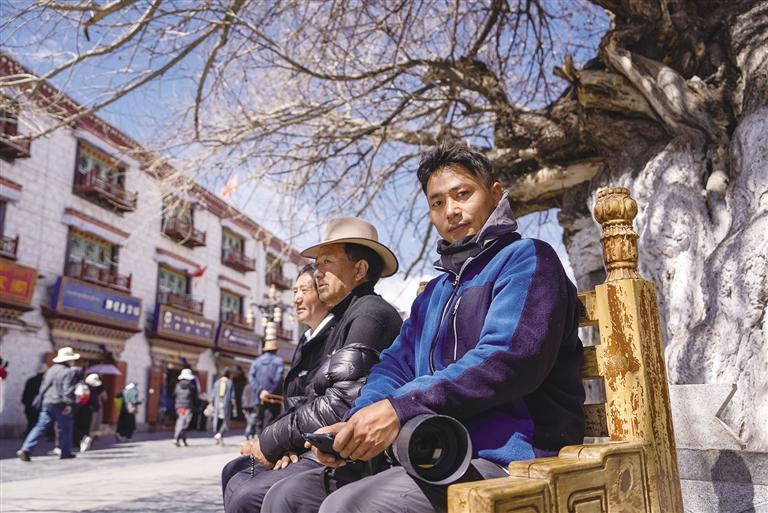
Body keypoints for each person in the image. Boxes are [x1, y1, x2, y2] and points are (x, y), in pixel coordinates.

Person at [261, 143, 585, 513]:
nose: (451, 211)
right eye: (437, 203)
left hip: (509, 456)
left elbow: (507, 357)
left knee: (347, 507)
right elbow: (393, 364)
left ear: (495, 195)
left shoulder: (527, 259)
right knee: (285, 499)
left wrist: (400, 408)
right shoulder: (435, 292)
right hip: (431, 449)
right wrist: (360, 421)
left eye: (463, 194)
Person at [223, 222, 403, 513]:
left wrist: (270, 442)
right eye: (317, 264)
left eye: (327, 262)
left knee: (250, 494)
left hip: (352, 455)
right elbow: (308, 398)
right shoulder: (342, 318)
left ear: (360, 270)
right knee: (236, 473)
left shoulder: (370, 314)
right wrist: (286, 446)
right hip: (317, 445)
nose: (318, 272)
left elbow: (340, 404)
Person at [17, 347, 82, 461]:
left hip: (47, 402)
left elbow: (43, 387)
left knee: (40, 426)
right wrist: (69, 404)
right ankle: (65, 451)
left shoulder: (51, 370)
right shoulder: (68, 372)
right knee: (66, 427)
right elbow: (67, 390)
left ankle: (26, 448)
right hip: (60, 403)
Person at [246, 337, 284, 439]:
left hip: (258, 398)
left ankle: (259, 444)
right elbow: (278, 378)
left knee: (259, 423)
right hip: (273, 398)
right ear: (275, 350)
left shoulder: (256, 362)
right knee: (271, 423)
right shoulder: (278, 361)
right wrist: (269, 392)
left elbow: (251, 378)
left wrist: (260, 391)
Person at [75, 373, 102, 453]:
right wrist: (96, 408)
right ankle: (84, 441)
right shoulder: (92, 388)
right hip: (87, 409)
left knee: (77, 426)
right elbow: (94, 400)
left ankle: (78, 441)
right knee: (86, 427)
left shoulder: (79, 385)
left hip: (77, 409)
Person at [173, 368, 198, 447]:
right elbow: (195, 397)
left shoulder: (177, 386)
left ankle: (182, 439)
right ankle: (177, 438)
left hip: (179, 406)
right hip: (187, 406)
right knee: (185, 423)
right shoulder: (191, 387)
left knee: (181, 421)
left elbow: (174, 395)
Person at [21, 363, 46, 437]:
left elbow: (24, 395)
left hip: (28, 406)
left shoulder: (30, 380)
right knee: (35, 424)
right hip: (38, 407)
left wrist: (26, 404)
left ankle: (28, 436)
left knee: (31, 422)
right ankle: (28, 437)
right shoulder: (43, 382)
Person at [212, 369, 235, 444]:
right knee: (225, 421)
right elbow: (232, 396)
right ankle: (220, 434)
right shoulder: (230, 382)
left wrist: (212, 403)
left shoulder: (217, 382)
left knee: (217, 420)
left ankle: (217, 435)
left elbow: (213, 395)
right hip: (226, 404)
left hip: (217, 404)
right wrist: (233, 405)